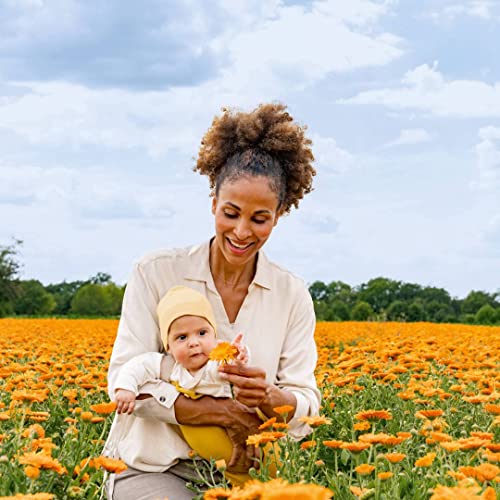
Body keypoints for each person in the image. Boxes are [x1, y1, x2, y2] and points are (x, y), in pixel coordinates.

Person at [104, 103, 321, 500]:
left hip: (248, 472)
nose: (241, 232)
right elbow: (123, 379)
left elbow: (307, 401)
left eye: (259, 219)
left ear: (279, 215)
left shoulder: (292, 295)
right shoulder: (155, 272)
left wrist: (274, 399)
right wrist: (217, 410)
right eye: (230, 213)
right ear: (213, 202)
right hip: (156, 467)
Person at [112, 285, 253, 485]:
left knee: (242, 471)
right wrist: (126, 389)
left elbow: (227, 367)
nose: (193, 343)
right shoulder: (170, 366)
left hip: (226, 437)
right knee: (230, 475)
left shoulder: (214, 365)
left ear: (215, 336)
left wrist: (237, 356)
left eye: (202, 333)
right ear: (168, 347)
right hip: (198, 444)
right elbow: (136, 367)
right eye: (182, 337)